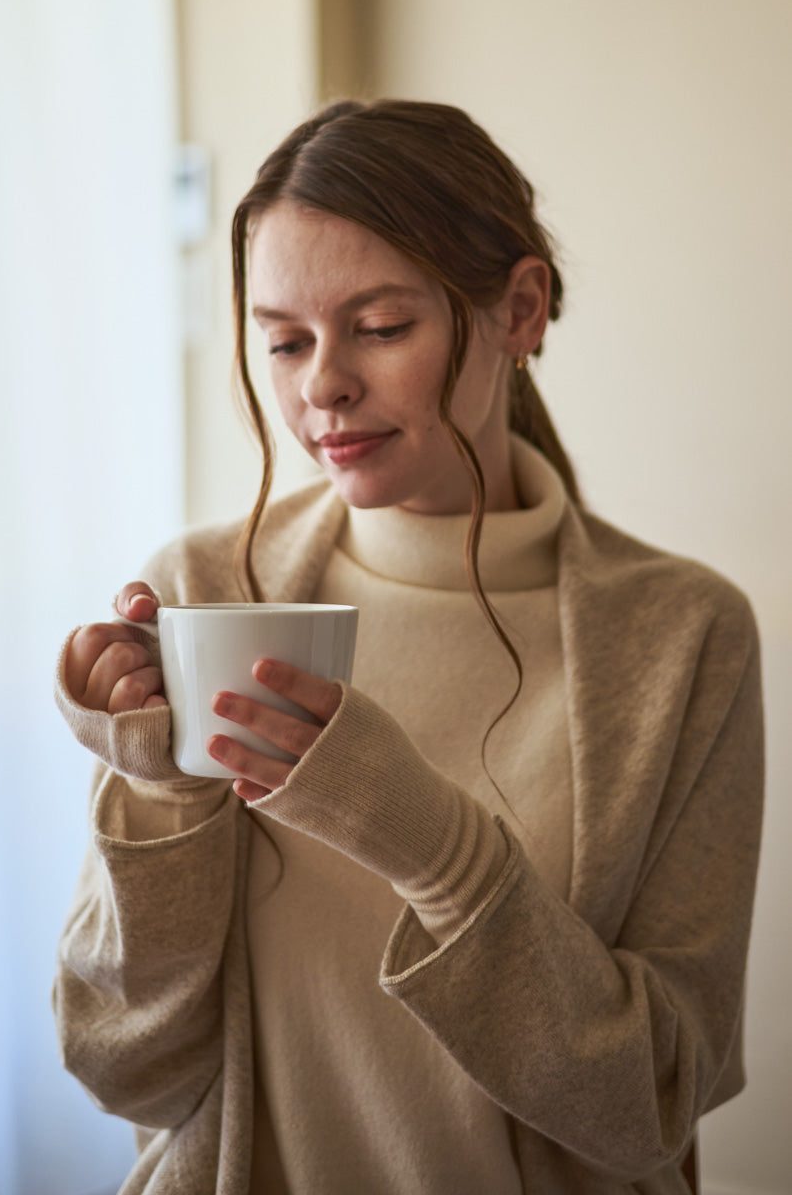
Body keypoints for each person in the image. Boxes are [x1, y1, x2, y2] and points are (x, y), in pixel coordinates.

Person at [53, 100, 764, 1194]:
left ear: (520, 309)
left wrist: (423, 838)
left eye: (380, 327)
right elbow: (119, 1063)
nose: (319, 384)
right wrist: (156, 801)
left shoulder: (682, 638)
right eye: (284, 340)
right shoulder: (209, 594)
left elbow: (651, 1105)